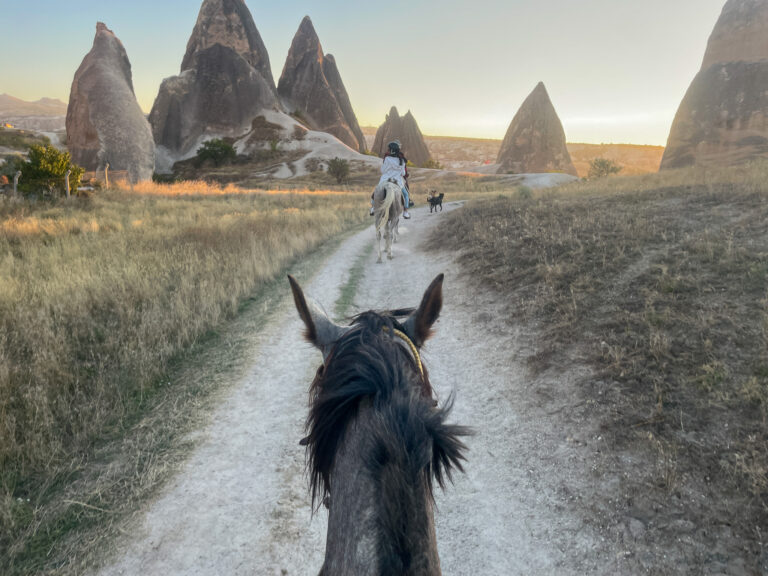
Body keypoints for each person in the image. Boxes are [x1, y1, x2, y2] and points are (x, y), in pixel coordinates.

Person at [370, 140, 411, 219]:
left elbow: (383, 170)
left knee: (375, 192)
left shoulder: (387, 159)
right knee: (406, 195)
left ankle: (373, 207)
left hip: (385, 180)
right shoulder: (402, 161)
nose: (387, 150)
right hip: (397, 181)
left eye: (389, 149)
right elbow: (403, 173)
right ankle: (406, 212)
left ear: (392, 150)